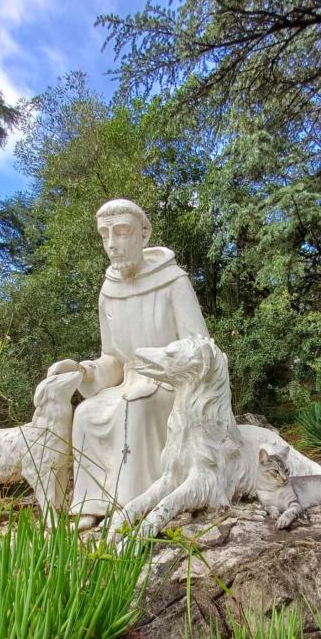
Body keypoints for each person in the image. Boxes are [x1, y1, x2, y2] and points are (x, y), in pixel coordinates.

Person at [63, 198, 208, 530]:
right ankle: (93, 503)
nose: (112, 244)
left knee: (135, 404)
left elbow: (199, 345)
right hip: (129, 381)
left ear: (144, 234)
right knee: (86, 413)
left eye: (122, 232)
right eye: (105, 235)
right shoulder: (109, 290)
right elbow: (112, 357)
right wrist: (87, 371)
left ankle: (132, 503)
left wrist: (167, 364)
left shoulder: (173, 280)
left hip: (170, 382)